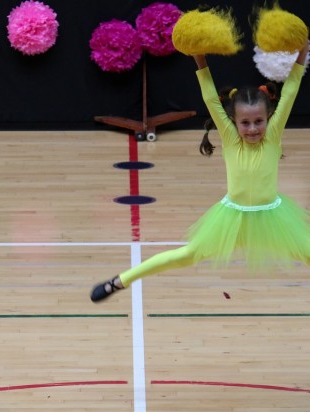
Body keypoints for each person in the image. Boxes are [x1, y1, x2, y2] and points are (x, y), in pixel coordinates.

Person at [91, 40, 310, 303]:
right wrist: (200, 61)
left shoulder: (273, 135)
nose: (253, 128)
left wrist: (302, 56)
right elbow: (209, 97)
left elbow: (290, 93)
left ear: (269, 118)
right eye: (246, 122)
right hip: (231, 219)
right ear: (234, 122)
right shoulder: (230, 137)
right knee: (186, 256)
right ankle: (119, 281)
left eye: (259, 121)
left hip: (272, 217)